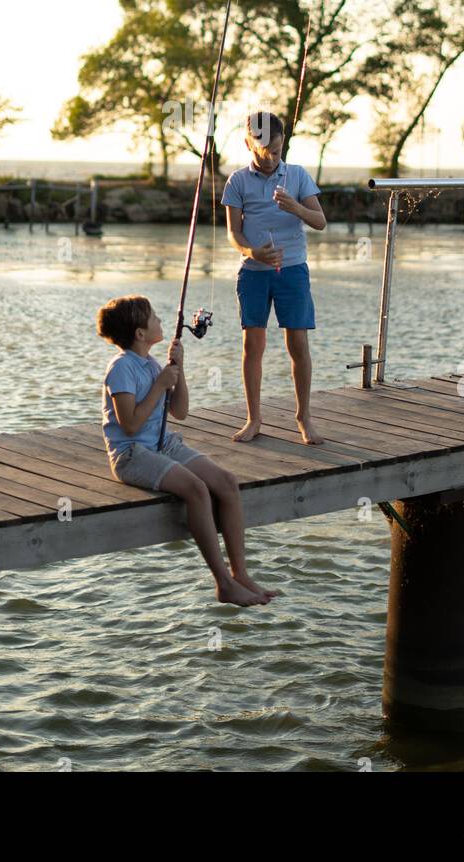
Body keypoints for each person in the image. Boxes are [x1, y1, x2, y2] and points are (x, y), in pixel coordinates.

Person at [96, 292, 280, 606]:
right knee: (197, 490)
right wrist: (159, 385)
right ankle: (222, 583)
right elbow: (129, 426)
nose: (160, 320)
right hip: (131, 454)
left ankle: (241, 574)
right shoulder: (122, 368)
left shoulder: (150, 363)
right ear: (140, 334)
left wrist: (177, 371)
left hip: (161, 443)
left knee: (227, 483)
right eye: (153, 317)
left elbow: (180, 412)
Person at [221, 110, 326, 444]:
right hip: (253, 274)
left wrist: (295, 207)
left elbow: (320, 221)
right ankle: (254, 419)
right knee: (253, 344)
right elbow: (233, 234)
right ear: (248, 143)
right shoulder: (237, 181)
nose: (270, 159)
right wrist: (252, 252)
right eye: (263, 151)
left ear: (283, 145)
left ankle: (304, 418)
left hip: (292, 271)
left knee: (297, 343)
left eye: (277, 152)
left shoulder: (296, 176)